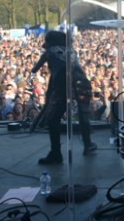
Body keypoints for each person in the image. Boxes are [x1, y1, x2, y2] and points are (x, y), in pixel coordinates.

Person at [30, 30, 97, 165]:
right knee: (83, 114)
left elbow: (34, 69)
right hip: (81, 81)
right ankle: (88, 143)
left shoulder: (49, 52)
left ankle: (56, 153)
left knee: (53, 117)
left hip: (62, 83)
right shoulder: (72, 50)